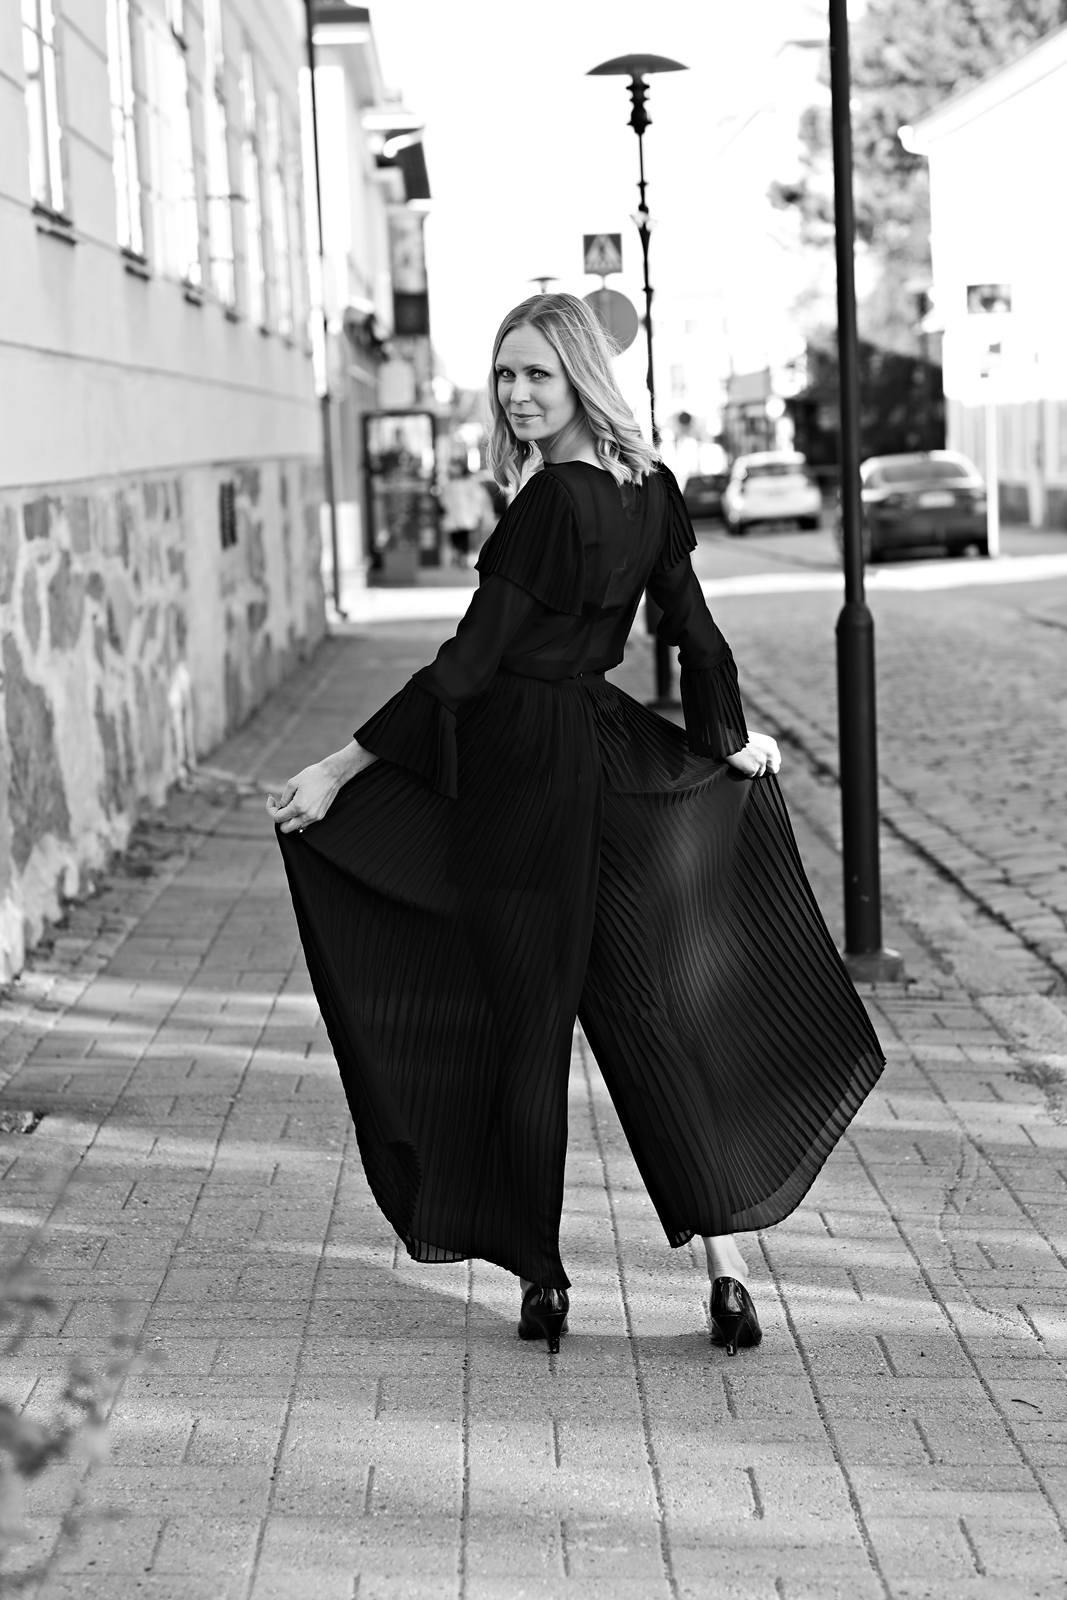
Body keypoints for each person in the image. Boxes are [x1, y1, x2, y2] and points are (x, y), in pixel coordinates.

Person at [267, 294, 883, 1358]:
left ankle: (543, 1278)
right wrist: (722, 738)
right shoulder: (651, 489)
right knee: (650, 1017)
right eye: (504, 374)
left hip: (519, 771)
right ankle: (728, 1275)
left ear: (580, 378)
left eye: (535, 375)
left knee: (526, 1028)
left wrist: (336, 767)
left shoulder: (549, 502)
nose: (514, 395)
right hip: (604, 752)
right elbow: (693, 635)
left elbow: (467, 666)